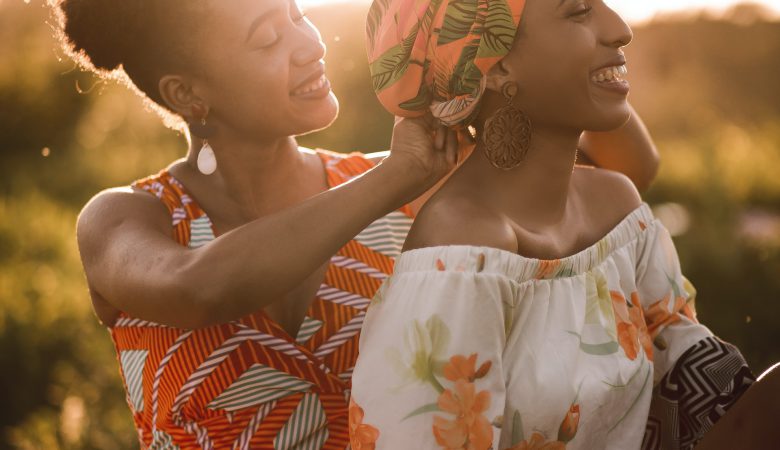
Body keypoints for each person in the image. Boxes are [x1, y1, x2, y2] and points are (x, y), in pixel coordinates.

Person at [51, 0, 661, 447]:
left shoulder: (425, 192)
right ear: (188, 95)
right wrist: (395, 177)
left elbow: (627, 167)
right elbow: (196, 287)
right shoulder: (128, 217)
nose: (310, 43)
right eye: (268, 38)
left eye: (297, 13)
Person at [349, 0, 777, 449]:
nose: (620, 29)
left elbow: (701, 401)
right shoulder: (460, 254)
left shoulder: (619, 210)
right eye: (577, 11)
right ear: (494, 69)